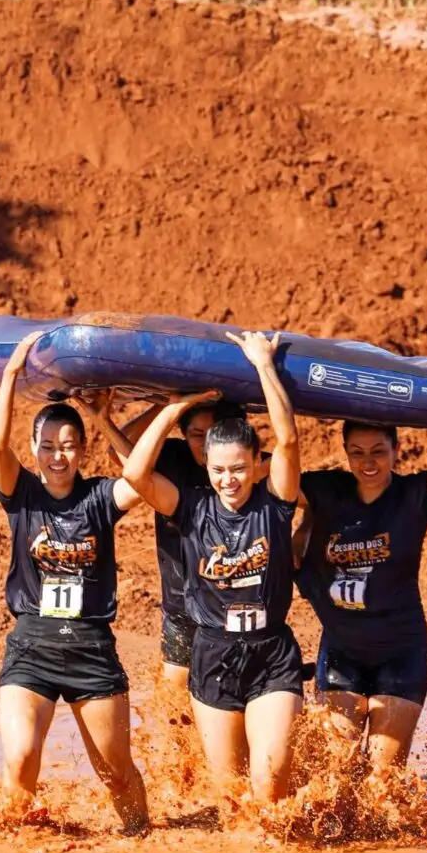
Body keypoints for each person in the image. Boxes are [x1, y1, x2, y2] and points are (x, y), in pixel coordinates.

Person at [122, 331, 303, 803]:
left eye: (239, 469)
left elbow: (287, 439)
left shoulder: (276, 505)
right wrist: (172, 409)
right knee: (230, 796)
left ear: (256, 465)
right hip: (213, 656)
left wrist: (264, 364)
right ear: (206, 468)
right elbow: (135, 474)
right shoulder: (189, 507)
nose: (229, 479)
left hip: (271, 653)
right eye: (219, 470)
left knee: (269, 781)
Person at [0, 331, 150, 833]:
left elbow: (142, 473)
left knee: (116, 775)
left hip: (90, 651)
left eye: (69, 446)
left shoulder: (100, 498)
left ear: (81, 450)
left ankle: (139, 842)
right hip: (31, 647)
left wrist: (105, 419)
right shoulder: (23, 494)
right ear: (34, 448)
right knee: (20, 762)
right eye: (49, 446)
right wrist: (12, 374)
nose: (59, 456)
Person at [294, 421, 427, 769]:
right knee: (335, 772)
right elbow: (271, 479)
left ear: (396, 450)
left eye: (378, 451)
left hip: (401, 653)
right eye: (357, 453)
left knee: (381, 780)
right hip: (343, 653)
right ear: (345, 453)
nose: (367, 462)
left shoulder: (414, 495)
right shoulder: (327, 489)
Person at [110, 399, 270, 689]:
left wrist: (302, 536)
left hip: (239, 610)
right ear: (182, 434)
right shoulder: (171, 458)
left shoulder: (252, 466)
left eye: (214, 433)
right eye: (197, 435)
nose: (208, 444)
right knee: (175, 710)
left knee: (238, 697)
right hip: (181, 605)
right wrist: (168, 407)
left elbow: (296, 478)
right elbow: (122, 458)